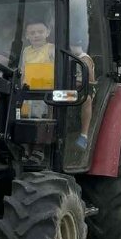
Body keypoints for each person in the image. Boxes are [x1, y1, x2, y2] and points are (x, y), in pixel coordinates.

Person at [19, 17, 93, 148]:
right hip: (30, 91)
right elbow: (23, 71)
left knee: (82, 99)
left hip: (52, 92)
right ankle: (23, 145)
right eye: (32, 33)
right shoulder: (26, 51)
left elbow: (63, 68)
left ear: (47, 32)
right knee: (20, 112)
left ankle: (42, 147)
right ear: (27, 35)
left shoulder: (52, 49)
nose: (36, 35)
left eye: (40, 32)